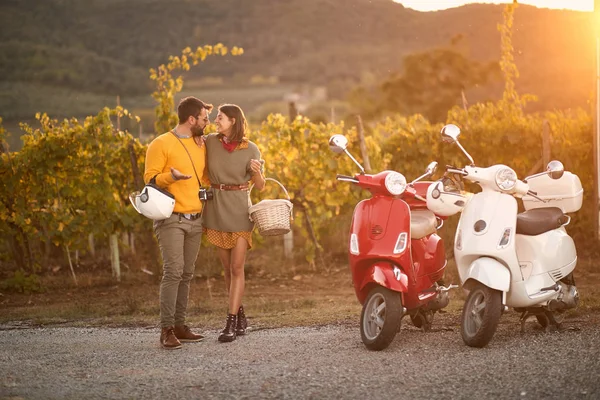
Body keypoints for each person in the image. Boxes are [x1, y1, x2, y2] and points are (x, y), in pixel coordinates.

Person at [144, 96, 213, 350]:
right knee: (173, 272)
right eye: (204, 119)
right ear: (191, 119)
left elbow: (205, 175)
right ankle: (166, 330)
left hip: (196, 218)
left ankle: (181, 326)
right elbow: (150, 180)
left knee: (186, 273)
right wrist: (169, 177)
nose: (207, 123)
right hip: (171, 218)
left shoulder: (201, 144)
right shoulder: (160, 144)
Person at [202, 104, 265, 342]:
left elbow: (260, 185)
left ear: (233, 121)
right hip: (217, 209)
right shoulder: (210, 142)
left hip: (240, 210)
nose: (215, 121)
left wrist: (255, 170)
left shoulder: (251, 148)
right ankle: (240, 316)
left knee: (237, 268)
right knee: (227, 269)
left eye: (220, 118)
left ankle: (230, 323)